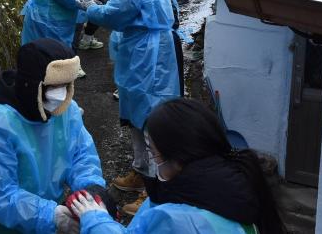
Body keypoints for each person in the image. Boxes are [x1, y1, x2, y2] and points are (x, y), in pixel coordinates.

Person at [0, 38, 109, 233]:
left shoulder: (66, 111)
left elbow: (81, 154)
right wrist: (52, 216)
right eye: (54, 86)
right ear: (33, 84)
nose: (61, 94)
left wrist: (90, 189)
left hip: (41, 222)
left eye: (66, 85)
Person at [76, 0, 180, 215]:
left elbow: (114, 15)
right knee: (137, 113)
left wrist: (92, 7)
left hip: (147, 55)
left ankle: (155, 190)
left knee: (149, 119)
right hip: (147, 51)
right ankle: (141, 171)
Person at [70, 98, 286, 234]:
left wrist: (95, 219)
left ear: (179, 158)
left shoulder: (177, 220)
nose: (153, 162)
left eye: (154, 153)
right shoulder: (238, 182)